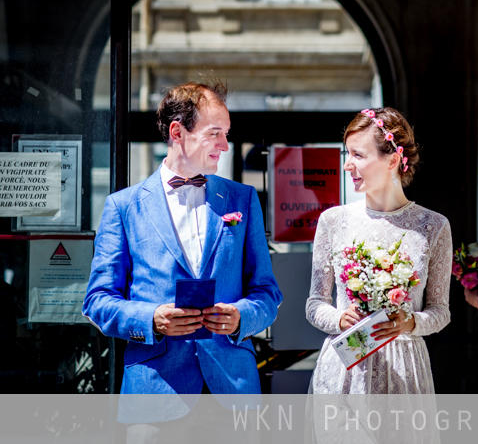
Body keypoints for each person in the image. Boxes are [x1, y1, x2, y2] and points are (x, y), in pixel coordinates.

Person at [83, 81, 282, 399]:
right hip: (154, 392)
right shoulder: (123, 207)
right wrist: (152, 319)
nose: (226, 145)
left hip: (232, 390)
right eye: (215, 133)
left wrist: (241, 316)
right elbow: (97, 302)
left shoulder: (242, 199)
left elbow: (268, 293)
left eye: (226, 133)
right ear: (177, 133)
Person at [306, 107, 451, 393]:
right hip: (345, 369)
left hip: (405, 370)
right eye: (348, 154)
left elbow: (440, 311)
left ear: (393, 160)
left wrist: (409, 322)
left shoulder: (432, 226)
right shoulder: (334, 221)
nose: (348, 165)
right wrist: (339, 318)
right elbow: (315, 304)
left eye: (358, 155)